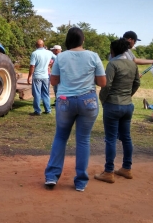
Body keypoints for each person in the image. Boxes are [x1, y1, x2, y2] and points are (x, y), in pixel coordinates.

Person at [44, 27, 106, 192]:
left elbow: (54, 81)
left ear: (68, 41)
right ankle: (80, 182)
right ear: (83, 40)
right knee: (83, 140)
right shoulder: (93, 56)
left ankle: (52, 176)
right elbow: (102, 82)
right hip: (88, 101)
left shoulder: (61, 57)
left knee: (60, 137)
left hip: (65, 102)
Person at [95, 38, 140, 183]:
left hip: (113, 105)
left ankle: (108, 171)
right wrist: (128, 95)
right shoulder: (132, 65)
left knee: (110, 139)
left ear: (112, 51)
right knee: (126, 137)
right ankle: (127, 168)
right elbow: (137, 83)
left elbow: (107, 86)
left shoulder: (113, 64)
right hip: (127, 105)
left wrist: (103, 99)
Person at [27, 39, 56, 115]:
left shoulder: (34, 53)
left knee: (37, 94)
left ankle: (37, 111)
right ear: (43, 45)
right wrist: (50, 66)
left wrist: (29, 76)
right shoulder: (49, 53)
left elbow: (32, 66)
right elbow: (57, 59)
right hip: (46, 76)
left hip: (37, 76)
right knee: (46, 93)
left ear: (36, 45)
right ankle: (48, 110)